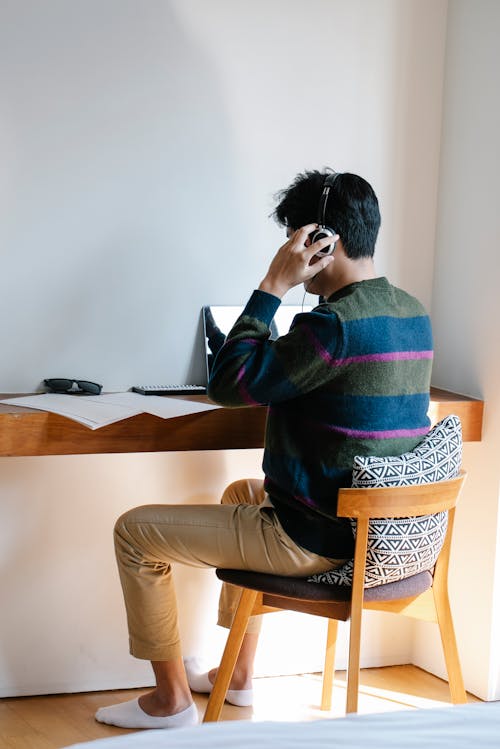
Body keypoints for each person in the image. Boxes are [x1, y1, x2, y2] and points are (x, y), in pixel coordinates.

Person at [95, 169, 433, 729]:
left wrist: (273, 285)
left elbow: (227, 384)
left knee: (134, 532)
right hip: (377, 532)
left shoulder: (332, 325)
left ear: (323, 241)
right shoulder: (410, 311)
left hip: (319, 539)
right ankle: (242, 677)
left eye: (295, 238)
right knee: (240, 493)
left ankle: (169, 701)